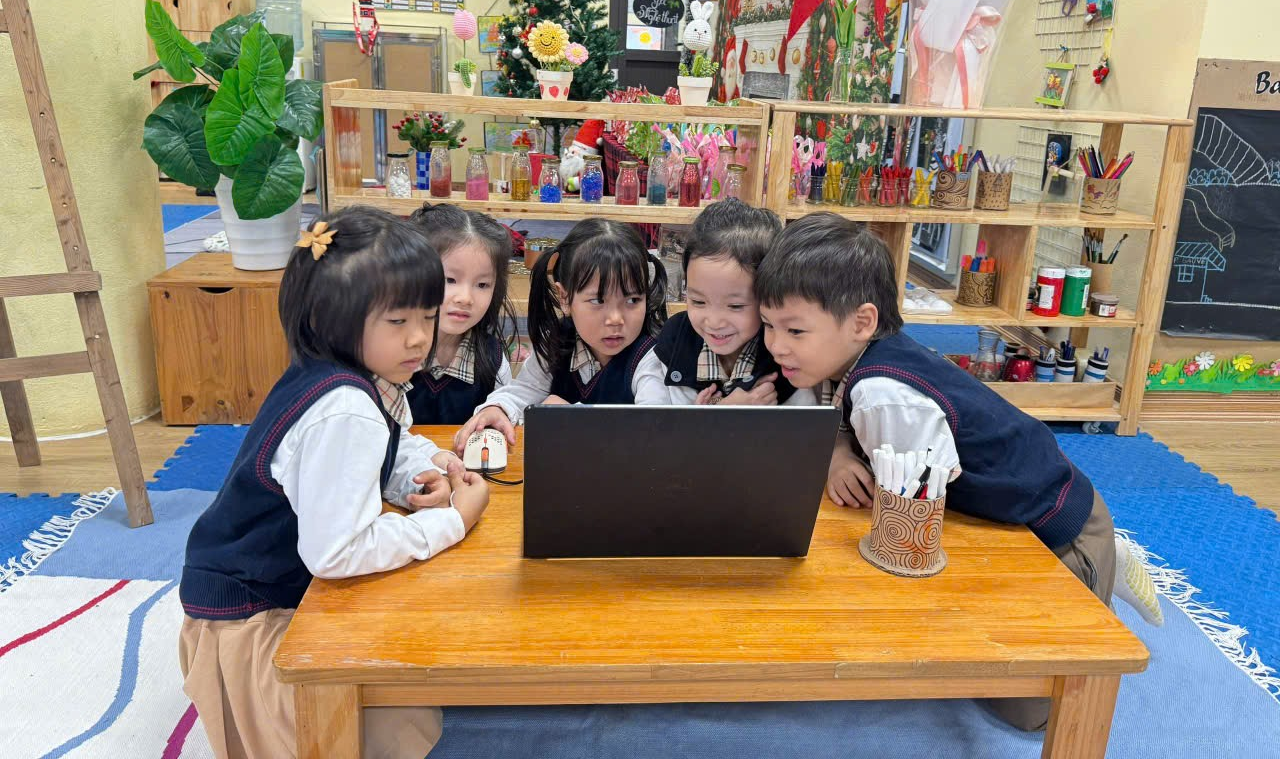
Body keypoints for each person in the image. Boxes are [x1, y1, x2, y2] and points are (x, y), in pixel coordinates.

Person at [755, 213, 1115, 731]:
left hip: (1057, 535)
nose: (776, 345)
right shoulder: (855, 358)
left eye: (794, 330)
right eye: (769, 325)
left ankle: (1107, 573)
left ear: (861, 322)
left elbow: (912, 521)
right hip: (1000, 515)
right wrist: (837, 449)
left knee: (1023, 708)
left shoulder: (884, 396)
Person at [178, 207, 490, 759]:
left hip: (269, 593)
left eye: (427, 316)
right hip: (252, 620)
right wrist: (454, 521)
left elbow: (389, 441)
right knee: (396, 712)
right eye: (398, 322)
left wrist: (429, 469)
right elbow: (337, 553)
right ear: (331, 319)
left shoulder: (346, 374)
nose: (420, 338)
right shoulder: (344, 408)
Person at [455, 218, 667, 449]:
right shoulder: (557, 341)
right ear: (564, 298)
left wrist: (572, 417)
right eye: (598, 300)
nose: (615, 319)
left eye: (633, 300)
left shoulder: (651, 357)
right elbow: (525, 390)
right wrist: (497, 407)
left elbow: (653, 427)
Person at [636, 199, 815, 406]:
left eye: (735, 306)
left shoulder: (785, 354)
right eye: (698, 301)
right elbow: (651, 429)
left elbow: (805, 430)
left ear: (769, 297)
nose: (714, 322)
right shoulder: (674, 342)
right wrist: (720, 415)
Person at [407, 204, 515, 424]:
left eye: (482, 284)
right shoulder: (388, 354)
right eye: (450, 280)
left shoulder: (491, 360)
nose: (465, 298)